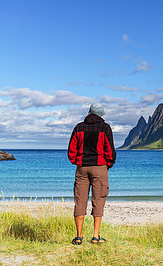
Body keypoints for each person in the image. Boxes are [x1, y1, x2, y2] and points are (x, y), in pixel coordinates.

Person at [68, 103, 116, 245]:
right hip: (99, 167)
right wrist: (108, 164)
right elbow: (110, 150)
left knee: (80, 201)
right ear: (101, 114)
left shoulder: (79, 127)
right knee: (98, 200)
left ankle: (78, 236)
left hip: (82, 167)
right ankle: (95, 236)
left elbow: (71, 148)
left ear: (89, 113)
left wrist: (76, 161)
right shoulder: (105, 127)